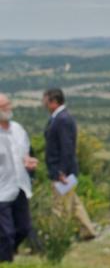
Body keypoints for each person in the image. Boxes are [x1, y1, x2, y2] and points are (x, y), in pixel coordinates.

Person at [42, 88, 97, 239]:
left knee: (60, 206)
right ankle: (88, 231)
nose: (43, 103)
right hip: (63, 171)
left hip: (62, 173)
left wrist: (61, 171)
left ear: (53, 101)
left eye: (45, 100)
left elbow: (67, 147)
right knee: (73, 203)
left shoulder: (62, 119)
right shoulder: (59, 118)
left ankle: (58, 237)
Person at [0, 93, 38, 262]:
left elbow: (27, 154)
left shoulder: (18, 129)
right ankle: (6, 261)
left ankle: (9, 252)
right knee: (6, 233)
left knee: (23, 228)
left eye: (9, 104)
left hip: (21, 186)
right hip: (2, 190)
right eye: (4, 106)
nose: (9, 108)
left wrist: (30, 164)